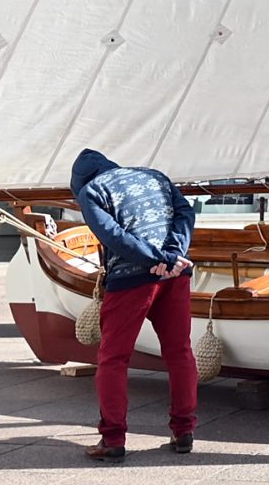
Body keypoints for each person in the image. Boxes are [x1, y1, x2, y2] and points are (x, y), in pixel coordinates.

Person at [69, 148, 198, 462]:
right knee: (180, 352)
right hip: (176, 274)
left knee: (113, 359)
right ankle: (183, 432)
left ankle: (113, 440)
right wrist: (172, 255)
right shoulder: (154, 176)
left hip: (131, 280)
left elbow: (112, 235)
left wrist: (155, 259)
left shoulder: (91, 191)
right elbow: (186, 213)